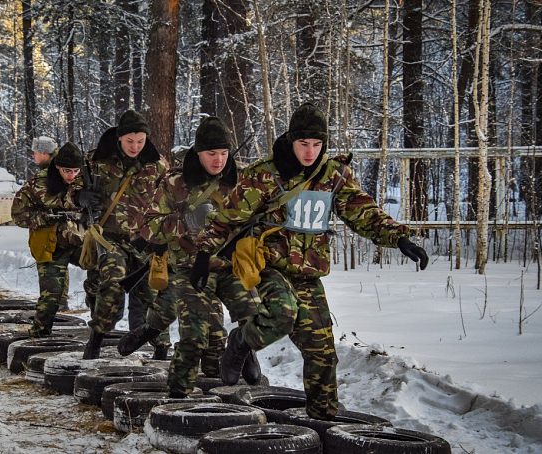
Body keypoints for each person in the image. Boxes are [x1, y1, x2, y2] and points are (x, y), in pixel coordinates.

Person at [189, 103, 429, 420]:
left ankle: (322, 419)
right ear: (291, 140)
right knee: (282, 311)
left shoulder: (333, 176)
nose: (310, 152)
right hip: (269, 265)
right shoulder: (265, 174)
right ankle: (240, 341)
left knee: (322, 351)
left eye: (317, 145)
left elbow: (363, 212)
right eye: (303, 144)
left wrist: (398, 237)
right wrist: (203, 256)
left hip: (307, 273)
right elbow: (227, 217)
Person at [117, 117, 262, 397]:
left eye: (223, 153)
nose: (218, 160)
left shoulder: (241, 179)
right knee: (196, 335)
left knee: (256, 315)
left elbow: (260, 213)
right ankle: (176, 397)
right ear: (198, 153)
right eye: (211, 154)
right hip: (189, 269)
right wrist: (185, 221)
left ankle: (243, 351)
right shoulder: (175, 183)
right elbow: (147, 226)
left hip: (230, 266)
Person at [79, 109, 170, 359]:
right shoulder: (97, 160)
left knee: (153, 293)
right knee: (113, 282)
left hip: (145, 240)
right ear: (119, 138)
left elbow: (172, 198)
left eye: (140, 141)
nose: (135, 146)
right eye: (130, 141)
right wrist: (79, 196)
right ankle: (97, 338)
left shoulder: (158, 165)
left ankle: (161, 348)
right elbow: (69, 187)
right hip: (110, 238)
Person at [12, 141, 86, 337]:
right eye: (66, 171)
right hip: (50, 245)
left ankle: (98, 331)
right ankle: (39, 334)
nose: (71, 176)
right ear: (58, 167)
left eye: (75, 171)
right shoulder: (38, 183)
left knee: (103, 274)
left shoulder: (84, 182)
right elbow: (18, 214)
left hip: (79, 241)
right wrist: (45, 217)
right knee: (51, 296)